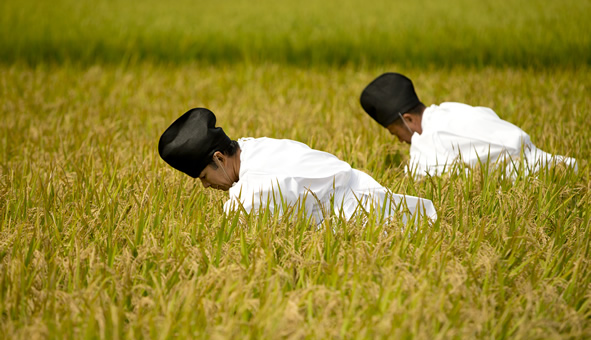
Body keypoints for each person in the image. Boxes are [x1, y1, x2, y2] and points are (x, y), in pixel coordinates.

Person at [158, 107, 437, 225]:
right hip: (380, 199)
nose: (206, 185)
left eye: (204, 176)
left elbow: (232, 238)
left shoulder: (251, 193)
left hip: (366, 225)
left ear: (219, 158)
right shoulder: (253, 146)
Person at [360, 72, 577, 177]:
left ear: (408, 119)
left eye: (394, 132)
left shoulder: (430, 139)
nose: (398, 140)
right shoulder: (451, 108)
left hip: (539, 177)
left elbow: (419, 179)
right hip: (559, 165)